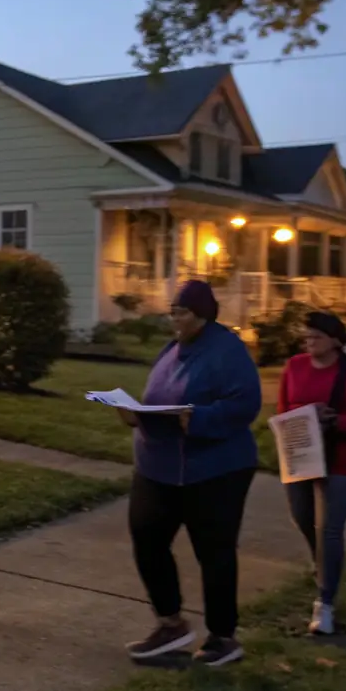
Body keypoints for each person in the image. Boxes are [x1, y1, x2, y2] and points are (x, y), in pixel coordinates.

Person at [114, 279, 262, 668]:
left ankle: (223, 637)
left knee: (213, 552)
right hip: (158, 466)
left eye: (181, 313)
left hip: (215, 470)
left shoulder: (227, 350)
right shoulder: (173, 349)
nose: (174, 320)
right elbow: (159, 400)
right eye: (172, 312)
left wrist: (198, 418)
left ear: (202, 315)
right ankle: (170, 623)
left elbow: (246, 404)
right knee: (146, 537)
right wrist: (136, 415)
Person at [277, 310, 346, 635]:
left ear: (336, 341)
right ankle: (323, 565)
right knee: (301, 516)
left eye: (317, 336)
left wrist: (336, 421)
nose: (309, 341)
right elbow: (283, 409)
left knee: (330, 530)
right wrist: (306, 414)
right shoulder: (295, 366)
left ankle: (325, 603)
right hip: (302, 453)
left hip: (345, 460)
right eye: (306, 335)